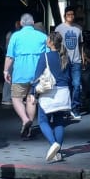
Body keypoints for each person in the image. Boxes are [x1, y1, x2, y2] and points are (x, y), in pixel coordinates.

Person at [5, 13, 49, 139]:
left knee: (16, 98)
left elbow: (10, 56)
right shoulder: (42, 36)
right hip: (37, 74)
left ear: (21, 23)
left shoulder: (16, 36)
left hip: (20, 73)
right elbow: (48, 55)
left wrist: (5, 71)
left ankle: (25, 120)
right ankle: (28, 129)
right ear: (33, 22)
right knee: (31, 99)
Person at [33, 30, 72, 164]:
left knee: (43, 120)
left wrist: (33, 93)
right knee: (59, 121)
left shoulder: (44, 56)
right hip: (63, 92)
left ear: (50, 42)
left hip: (49, 93)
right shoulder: (65, 56)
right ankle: (58, 152)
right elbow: (70, 77)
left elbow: (37, 77)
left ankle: (53, 143)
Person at [54, 7, 86, 119]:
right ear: (65, 16)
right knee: (65, 86)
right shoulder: (59, 28)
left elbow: (81, 45)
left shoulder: (78, 29)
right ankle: (65, 108)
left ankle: (74, 108)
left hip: (76, 60)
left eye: (72, 14)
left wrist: (83, 58)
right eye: (68, 14)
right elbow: (55, 45)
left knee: (76, 85)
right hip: (63, 60)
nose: (71, 16)